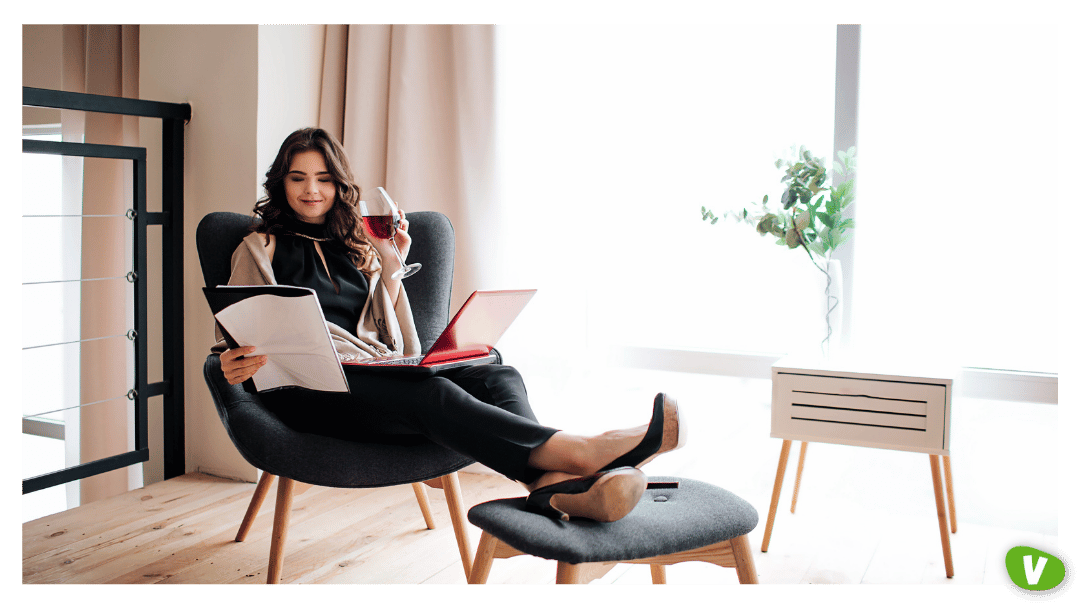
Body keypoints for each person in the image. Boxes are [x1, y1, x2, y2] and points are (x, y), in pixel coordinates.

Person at [214, 127, 686, 522]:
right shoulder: (259, 249)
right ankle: (582, 452)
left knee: (500, 374)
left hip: (376, 372)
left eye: (323, 178)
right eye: (298, 178)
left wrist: (389, 261)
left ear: (340, 185)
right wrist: (231, 364)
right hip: (313, 389)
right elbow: (233, 338)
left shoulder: (357, 245)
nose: (311, 190)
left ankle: (550, 485)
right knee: (432, 395)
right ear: (281, 183)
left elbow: (398, 335)